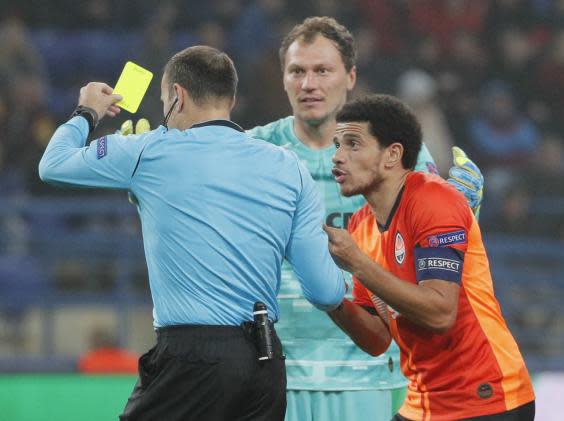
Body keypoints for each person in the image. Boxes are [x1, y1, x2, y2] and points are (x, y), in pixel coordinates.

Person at [38, 45, 347, 421]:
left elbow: (53, 165)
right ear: (231, 99)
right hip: (265, 363)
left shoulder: (148, 150)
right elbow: (326, 291)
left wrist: (88, 110)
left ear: (177, 97)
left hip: (191, 357)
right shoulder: (288, 166)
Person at [246, 16, 484, 421]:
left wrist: (463, 212)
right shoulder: (251, 151)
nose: (309, 84)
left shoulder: (396, 151)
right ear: (283, 78)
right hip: (272, 368)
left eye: (323, 70)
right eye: (297, 71)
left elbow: (429, 242)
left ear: (350, 76)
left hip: (368, 371)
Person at [324, 94, 535, 420]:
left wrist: (357, 263)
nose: (337, 157)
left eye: (352, 145)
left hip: (486, 397)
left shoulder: (433, 200)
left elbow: (440, 313)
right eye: (337, 145)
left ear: (392, 154)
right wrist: (330, 299)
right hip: (425, 403)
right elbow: (378, 339)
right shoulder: (360, 226)